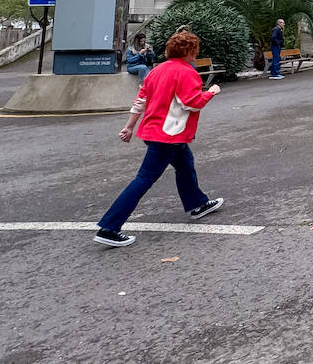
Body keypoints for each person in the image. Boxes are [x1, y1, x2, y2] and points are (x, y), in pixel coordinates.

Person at [94, 30, 225, 248]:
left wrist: (129, 127)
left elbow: (140, 101)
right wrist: (211, 92)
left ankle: (198, 203)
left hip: (155, 132)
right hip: (170, 135)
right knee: (144, 179)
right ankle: (109, 227)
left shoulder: (156, 71)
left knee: (185, 165)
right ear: (190, 51)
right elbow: (192, 103)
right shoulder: (187, 72)